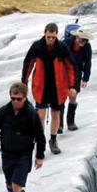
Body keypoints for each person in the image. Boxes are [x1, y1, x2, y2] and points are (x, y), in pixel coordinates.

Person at [20, 22, 75, 155]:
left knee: (56, 113)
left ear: (56, 35)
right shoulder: (37, 46)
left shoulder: (62, 48)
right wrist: (24, 82)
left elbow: (71, 67)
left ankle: (53, 139)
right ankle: (40, 140)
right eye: (48, 36)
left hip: (58, 87)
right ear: (45, 33)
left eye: (53, 37)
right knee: (41, 114)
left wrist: (72, 85)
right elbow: (28, 63)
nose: (50, 39)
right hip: (42, 86)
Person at [63, 23, 93, 131]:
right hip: (63, 71)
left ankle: (70, 121)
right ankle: (59, 125)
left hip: (76, 72)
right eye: (82, 39)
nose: (83, 42)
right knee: (61, 96)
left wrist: (85, 78)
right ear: (77, 37)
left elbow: (88, 63)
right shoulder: (65, 43)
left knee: (73, 95)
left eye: (86, 40)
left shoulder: (87, 47)